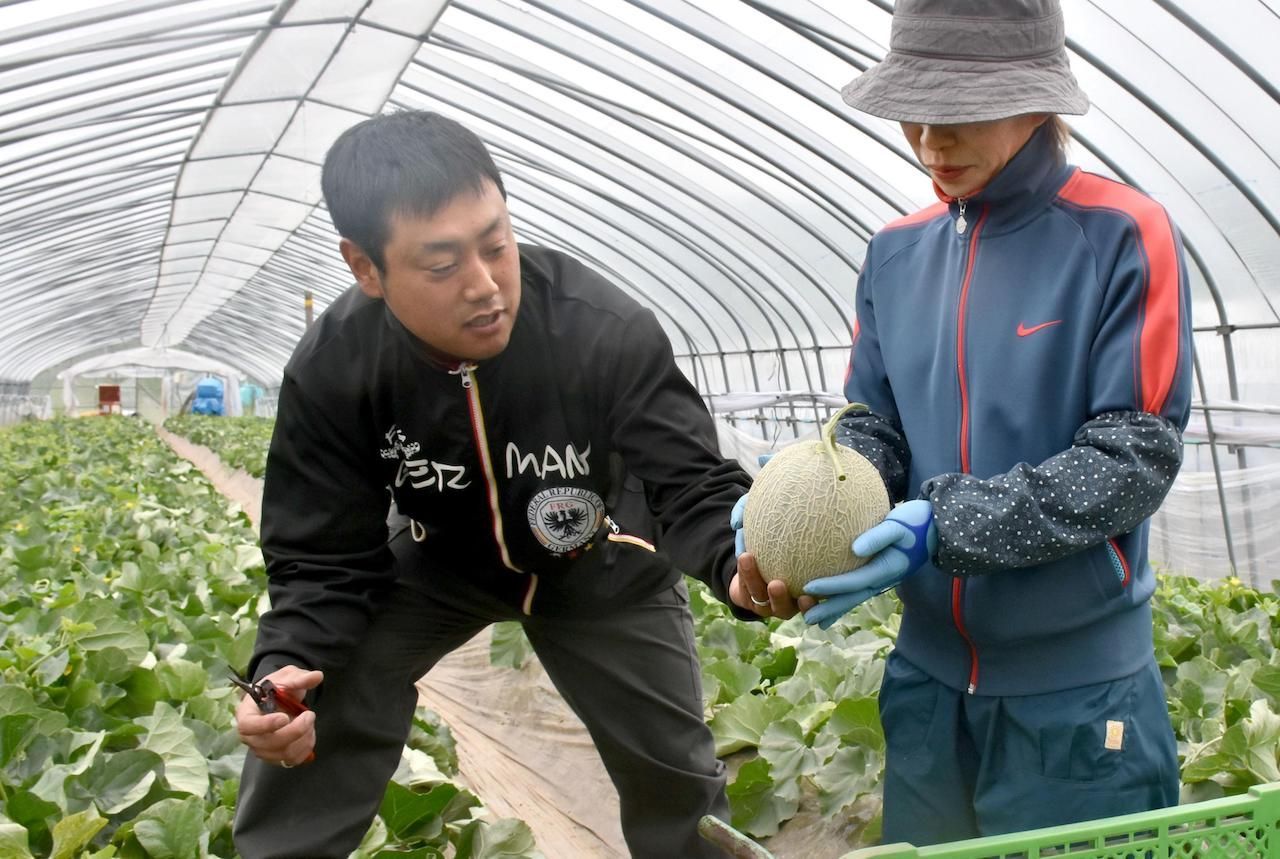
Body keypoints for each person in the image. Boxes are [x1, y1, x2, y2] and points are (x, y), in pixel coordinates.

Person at [230, 109, 790, 859]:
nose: (486, 284)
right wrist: (281, 666)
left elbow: (688, 481)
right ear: (365, 268)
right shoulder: (335, 365)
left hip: (601, 562)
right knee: (322, 688)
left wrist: (738, 565)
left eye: (497, 244)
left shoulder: (600, 327)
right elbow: (321, 556)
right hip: (441, 559)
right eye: (442, 265)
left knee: (676, 779)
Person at [736, 0, 1193, 846]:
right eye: (914, 113)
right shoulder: (894, 253)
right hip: (924, 691)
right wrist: (810, 489)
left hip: (1079, 705)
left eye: (959, 115)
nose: (930, 143)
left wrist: (943, 525)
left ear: (1035, 97)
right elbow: (876, 427)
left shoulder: (1121, 233)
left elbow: (1134, 456)